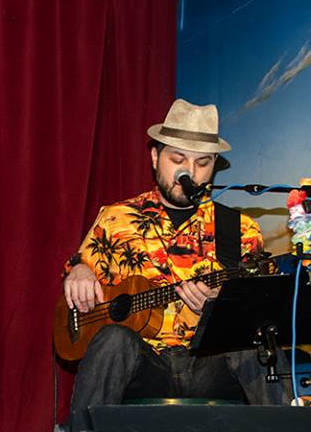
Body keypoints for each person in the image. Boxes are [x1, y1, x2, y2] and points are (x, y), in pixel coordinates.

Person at [63, 98, 289, 410]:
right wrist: (79, 269)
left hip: (208, 364)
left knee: (256, 343)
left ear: (214, 166)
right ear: (155, 157)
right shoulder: (116, 219)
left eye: (202, 163)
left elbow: (261, 315)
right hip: (144, 366)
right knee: (113, 339)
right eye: (178, 158)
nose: (190, 172)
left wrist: (220, 309)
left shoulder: (241, 229)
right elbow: (79, 268)